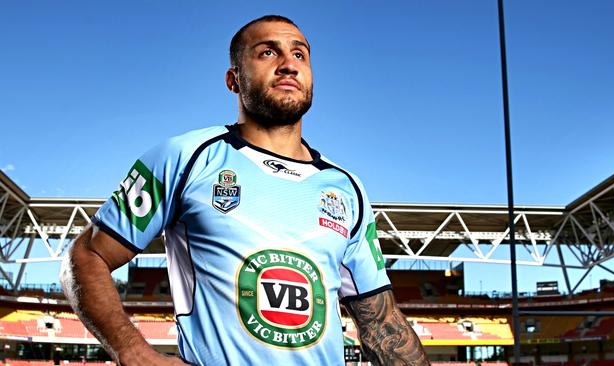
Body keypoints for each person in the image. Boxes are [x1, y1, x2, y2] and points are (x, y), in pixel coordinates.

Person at [60, 15, 428, 366]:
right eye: (268, 52)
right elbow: (87, 255)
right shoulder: (185, 156)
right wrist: (133, 352)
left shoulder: (346, 188)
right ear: (233, 79)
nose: (288, 63)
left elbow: (382, 322)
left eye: (299, 53)